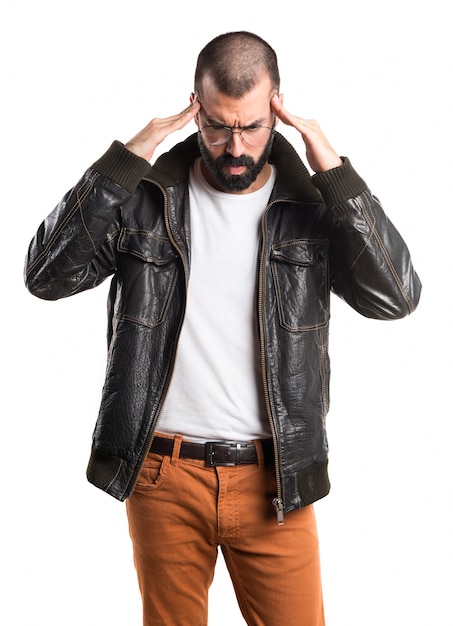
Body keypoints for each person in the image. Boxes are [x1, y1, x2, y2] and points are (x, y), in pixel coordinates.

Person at [25, 31, 421, 626]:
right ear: (196, 108)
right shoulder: (144, 200)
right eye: (217, 126)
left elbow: (396, 297)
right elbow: (47, 275)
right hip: (161, 475)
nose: (235, 147)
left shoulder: (313, 207)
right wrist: (125, 161)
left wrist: (335, 173)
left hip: (277, 480)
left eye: (253, 126)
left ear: (277, 111)